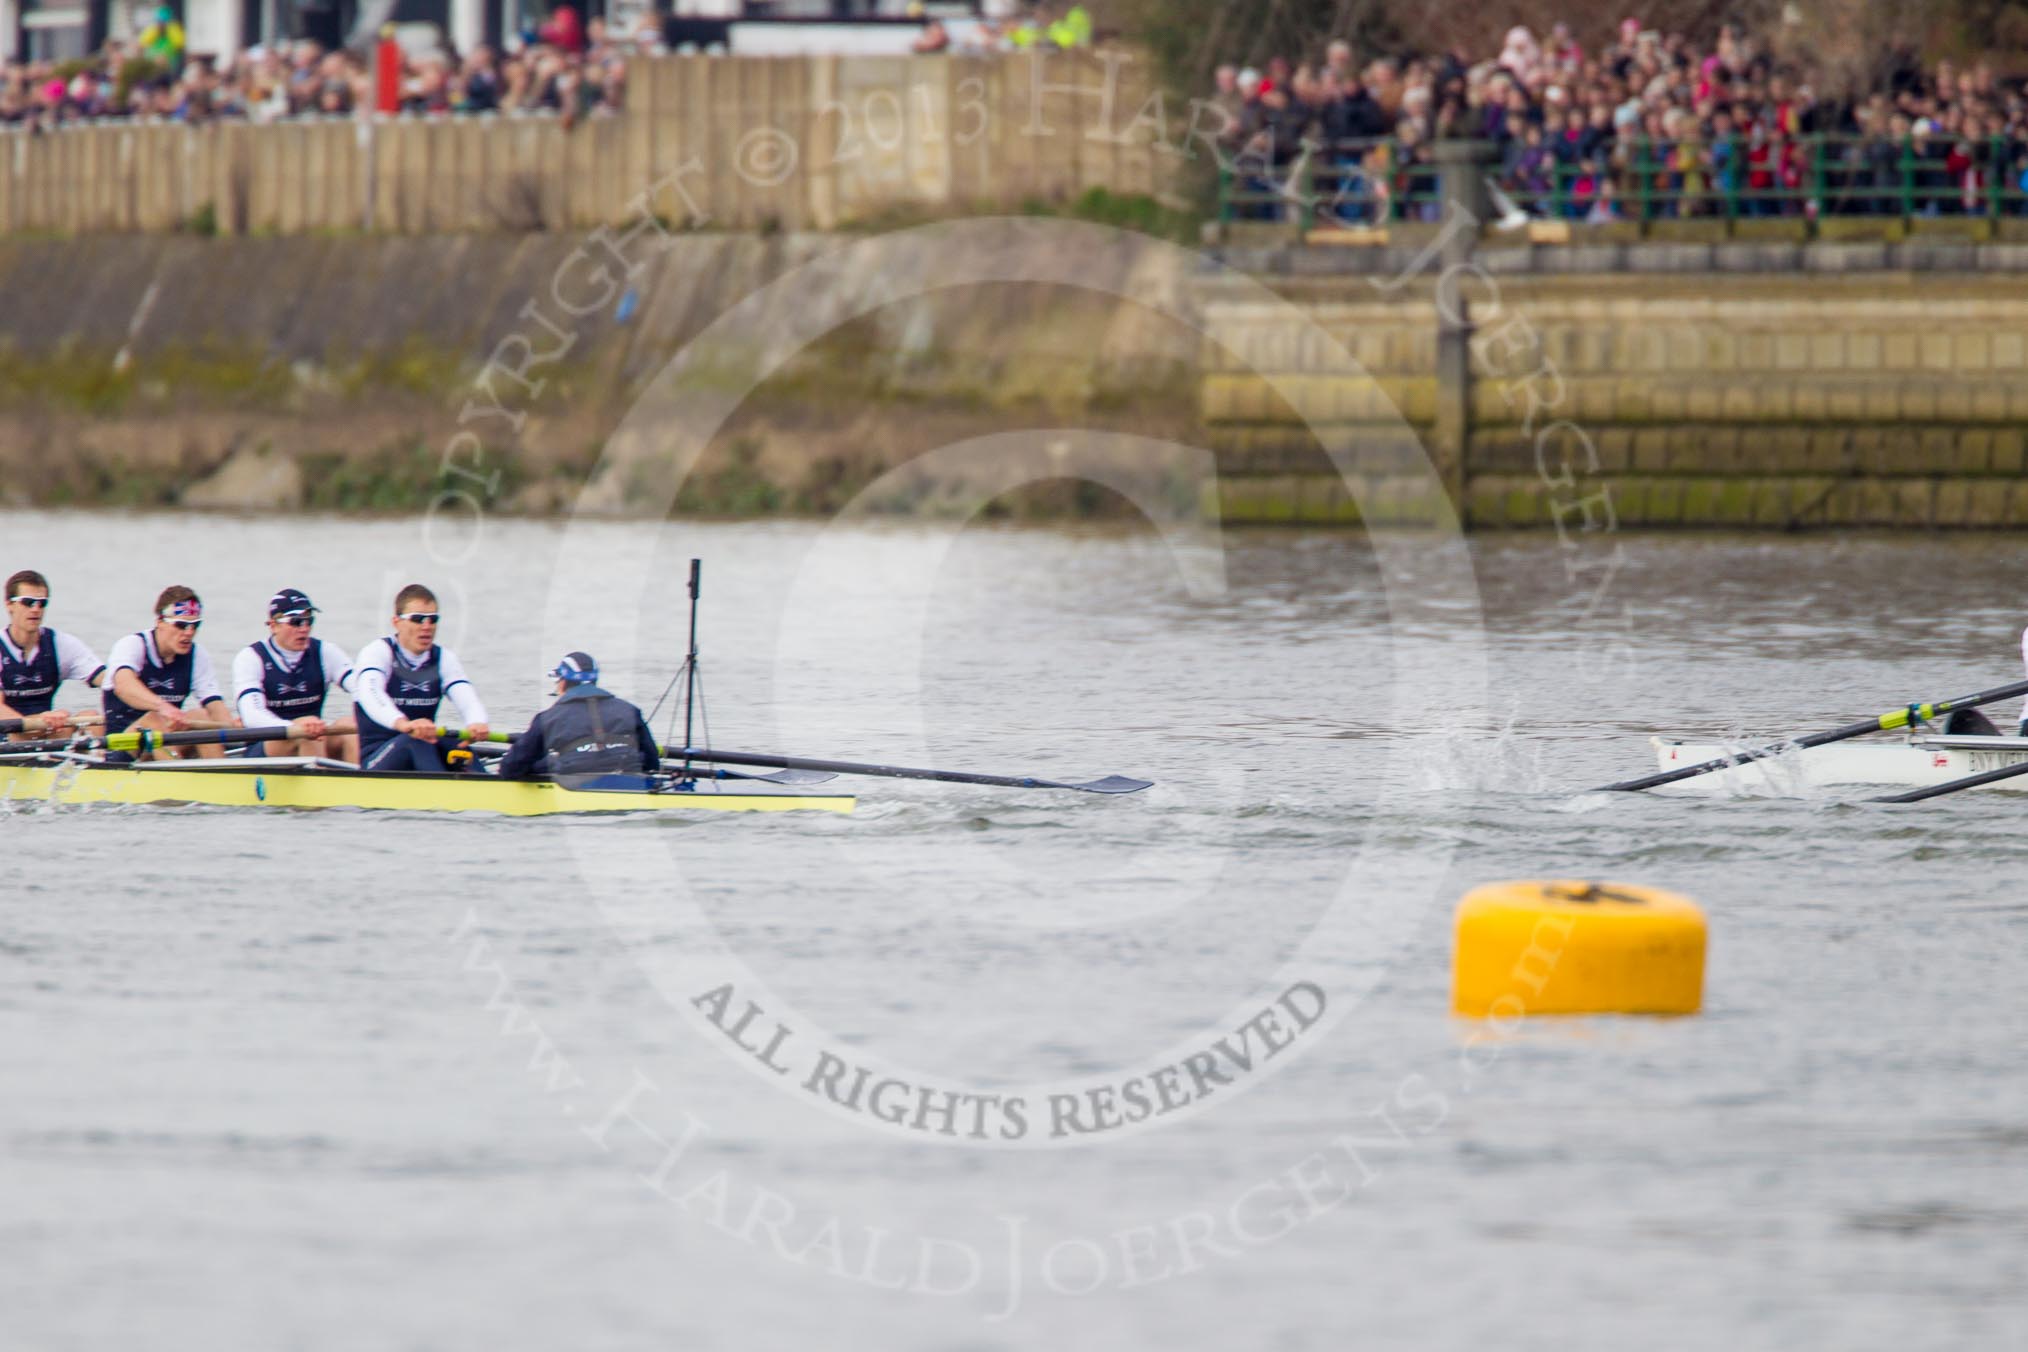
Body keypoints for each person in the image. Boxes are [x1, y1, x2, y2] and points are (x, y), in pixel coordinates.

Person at [350, 584, 490, 772]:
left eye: (432, 620)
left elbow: (466, 698)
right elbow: (371, 695)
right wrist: (404, 724)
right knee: (414, 741)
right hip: (377, 758)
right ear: (396, 622)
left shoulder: (443, 658)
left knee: (455, 744)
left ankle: (487, 788)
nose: (427, 627)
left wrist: (476, 722)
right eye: (418, 619)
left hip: (422, 745)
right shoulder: (377, 652)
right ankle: (440, 796)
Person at [102, 585, 236, 759]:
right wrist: (163, 708)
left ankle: (224, 777)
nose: (189, 633)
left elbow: (215, 706)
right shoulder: (132, 645)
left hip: (165, 745)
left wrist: (232, 725)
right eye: (181, 625)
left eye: (195, 625)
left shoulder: (197, 655)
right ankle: (182, 778)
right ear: (160, 622)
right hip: (123, 750)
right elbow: (123, 686)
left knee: (201, 716)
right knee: (154, 719)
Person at [230, 588, 358, 761]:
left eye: (309, 621)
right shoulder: (251, 658)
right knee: (305, 731)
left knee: (350, 725)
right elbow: (252, 715)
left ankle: (364, 782)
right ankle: (320, 783)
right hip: (267, 745)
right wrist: (294, 727)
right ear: (274, 625)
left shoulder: (326, 652)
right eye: (296, 622)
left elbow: (362, 688)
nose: (304, 629)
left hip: (313, 737)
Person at [497, 651, 659, 785]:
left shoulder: (547, 718)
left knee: (536, 762)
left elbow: (510, 769)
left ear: (563, 682)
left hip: (574, 781)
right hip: (629, 777)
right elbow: (652, 762)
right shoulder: (630, 710)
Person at [1, 569, 106, 736]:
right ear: (9, 605)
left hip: (44, 729)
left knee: (91, 718)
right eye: (28, 602)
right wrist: (39, 721)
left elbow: (108, 680)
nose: (36, 609)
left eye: (42, 603)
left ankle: (102, 760)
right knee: (49, 726)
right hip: (8, 735)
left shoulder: (60, 644)